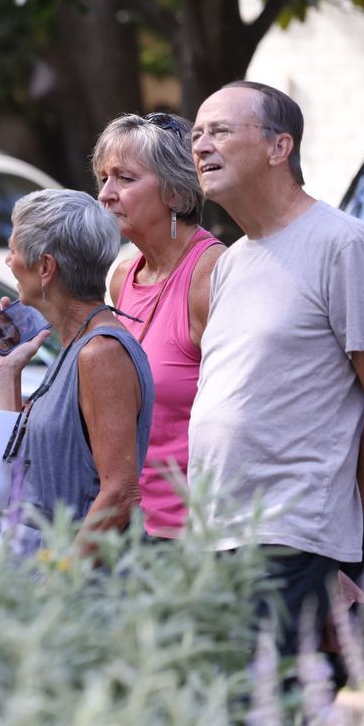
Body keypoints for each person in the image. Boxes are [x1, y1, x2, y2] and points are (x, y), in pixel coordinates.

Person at [186, 80, 364, 650]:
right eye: (197, 134)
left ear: (278, 147)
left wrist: (323, 532)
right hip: (216, 533)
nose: (201, 146)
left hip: (282, 534)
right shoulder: (231, 263)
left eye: (220, 130)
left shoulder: (343, 244)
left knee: (252, 712)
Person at [0, 189, 154, 543]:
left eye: (13, 250)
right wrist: (5, 373)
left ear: (46, 267)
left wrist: (61, 582)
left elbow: (119, 495)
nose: (8, 261)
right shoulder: (78, 346)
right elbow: (15, 473)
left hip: (68, 580)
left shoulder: (101, 354)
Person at [94, 112, 225, 536]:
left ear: (173, 191)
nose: (106, 195)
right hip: (125, 528)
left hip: (193, 535)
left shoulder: (213, 275)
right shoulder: (120, 278)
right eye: (103, 179)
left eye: (124, 179)